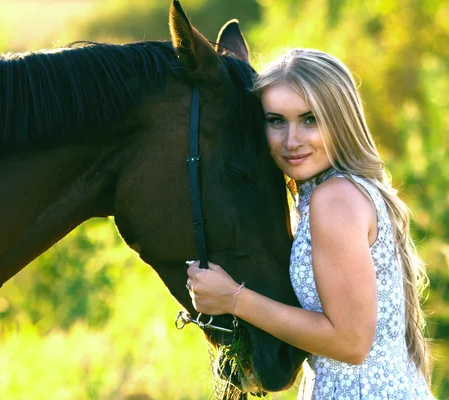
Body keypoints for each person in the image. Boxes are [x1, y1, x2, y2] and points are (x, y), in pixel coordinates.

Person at [185, 48, 434, 399]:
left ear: (341, 120)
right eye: (276, 121)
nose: (291, 141)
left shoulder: (334, 199)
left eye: (310, 119)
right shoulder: (335, 192)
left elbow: (351, 343)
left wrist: (234, 299)